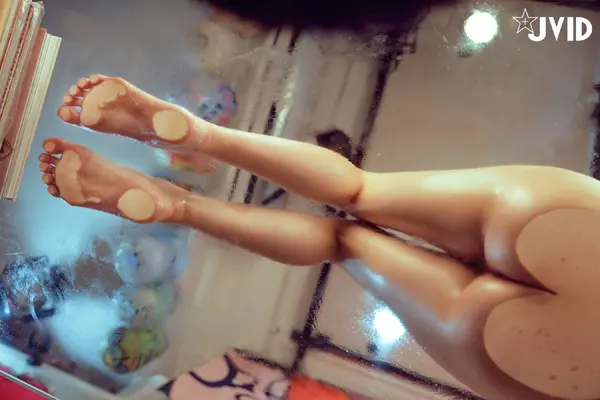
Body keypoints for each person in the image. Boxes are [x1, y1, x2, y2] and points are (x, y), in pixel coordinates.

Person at [38, 73, 600, 400]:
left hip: (573, 224)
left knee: (360, 189)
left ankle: (194, 132)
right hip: (561, 363)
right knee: (340, 242)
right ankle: (173, 205)